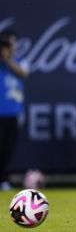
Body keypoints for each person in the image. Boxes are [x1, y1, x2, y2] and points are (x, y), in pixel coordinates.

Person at [0, 30, 28, 191]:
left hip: (14, 113)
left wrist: (8, 60)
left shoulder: (20, 61)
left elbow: (23, 73)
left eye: (11, 43)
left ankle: (4, 179)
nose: (9, 47)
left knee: (8, 149)